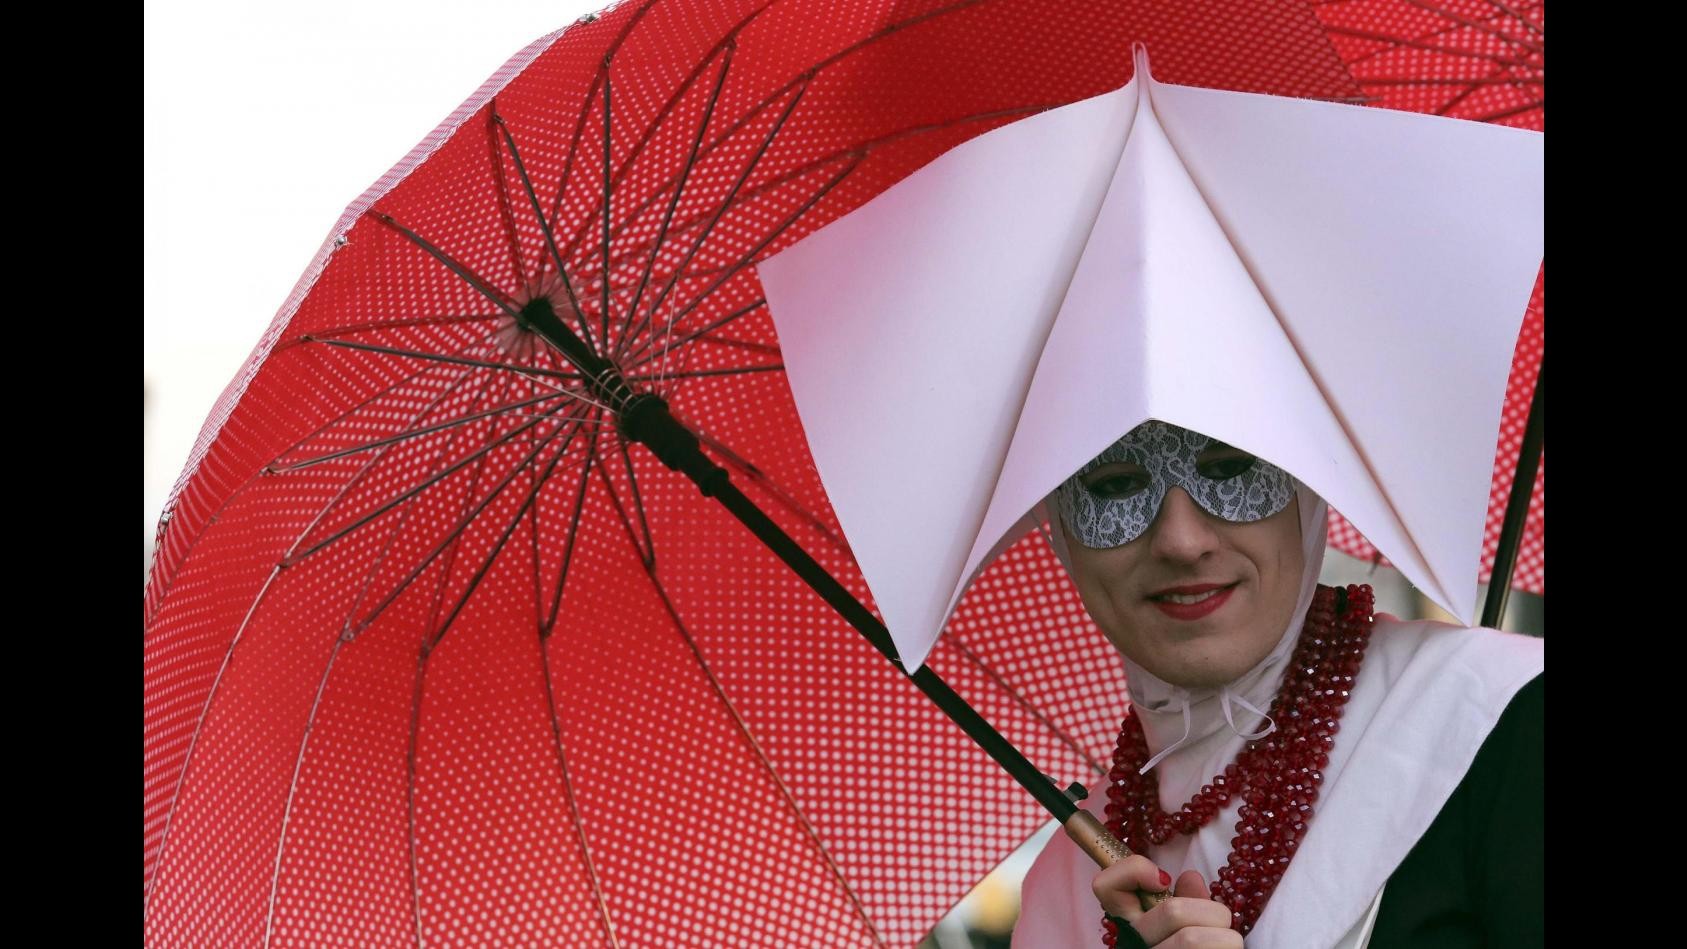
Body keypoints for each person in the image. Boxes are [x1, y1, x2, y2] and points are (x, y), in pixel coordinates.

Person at [1011, 420, 1543, 948]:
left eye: (1229, 468)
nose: (1181, 542)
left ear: (1306, 488)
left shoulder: (1497, 713)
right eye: (1114, 485)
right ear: (1060, 530)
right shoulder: (1068, 892)